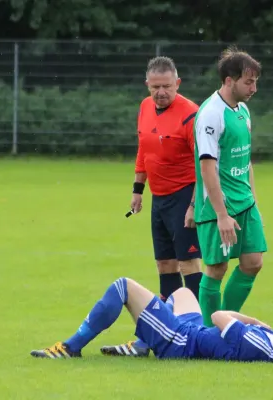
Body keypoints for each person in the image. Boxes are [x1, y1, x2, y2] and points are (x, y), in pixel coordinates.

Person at [102, 57, 204, 357]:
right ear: (147, 85)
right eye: (155, 86)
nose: (161, 92)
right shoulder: (145, 107)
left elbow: (204, 164)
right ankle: (165, 329)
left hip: (185, 194)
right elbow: (144, 148)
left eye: (167, 87)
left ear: (178, 84)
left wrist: (194, 206)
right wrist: (138, 189)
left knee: (189, 265)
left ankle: (195, 331)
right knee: (164, 265)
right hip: (159, 198)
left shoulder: (191, 115)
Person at [29, 276, 273, 364]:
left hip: (178, 340)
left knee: (123, 287)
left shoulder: (256, 341)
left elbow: (219, 316)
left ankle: (70, 347)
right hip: (193, 332)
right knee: (183, 291)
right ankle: (142, 344)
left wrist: (252, 319)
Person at [193, 46, 267, 327]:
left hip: (245, 203)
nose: (254, 88)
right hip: (218, 207)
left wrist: (254, 202)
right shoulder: (211, 114)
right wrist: (222, 214)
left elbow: (246, 160)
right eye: (248, 82)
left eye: (255, 81)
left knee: (253, 263)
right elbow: (207, 167)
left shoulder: (243, 111)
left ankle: (225, 321)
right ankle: (211, 332)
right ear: (228, 80)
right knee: (216, 268)